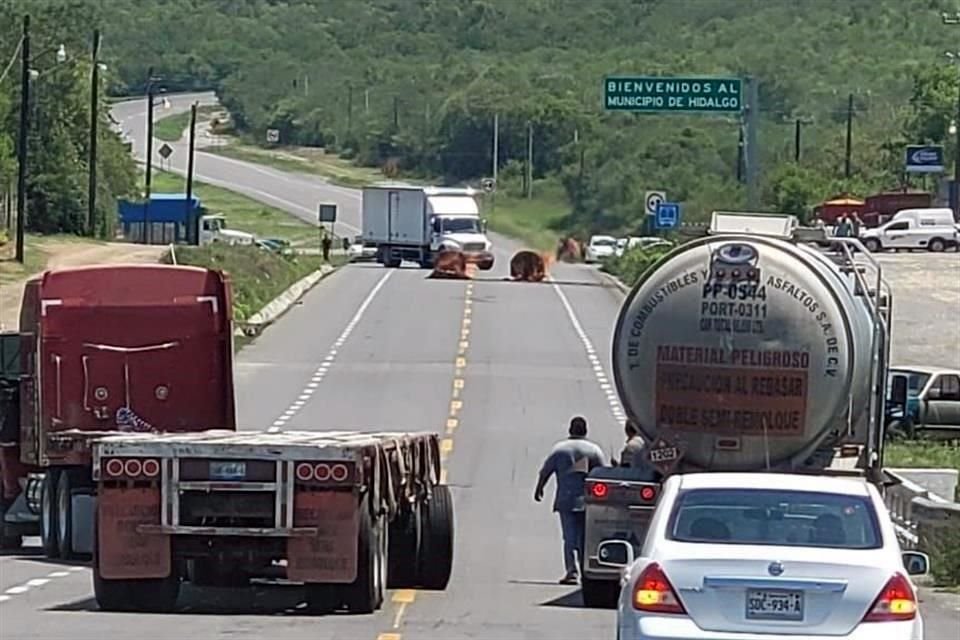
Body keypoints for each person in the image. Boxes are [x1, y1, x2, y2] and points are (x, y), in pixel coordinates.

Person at [534, 416, 607, 585]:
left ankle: (571, 572)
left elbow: (545, 471)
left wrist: (539, 488)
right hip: (587, 501)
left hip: (565, 500)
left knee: (568, 537)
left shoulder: (560, 450)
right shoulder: (594, 450)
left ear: (570, 430)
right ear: (585, 431)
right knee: (583, 538)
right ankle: (585, 571)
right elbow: (602, 474)